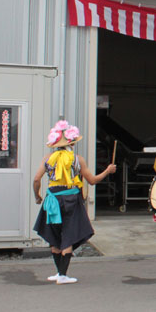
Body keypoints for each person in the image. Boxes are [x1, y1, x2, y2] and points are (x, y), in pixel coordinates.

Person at [33, 120, 117, 285]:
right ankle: (63, 275)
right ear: (71, 142)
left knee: (54, 235)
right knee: (69, 234)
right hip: (71, 199)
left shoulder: (48, 159)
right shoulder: (77, 160)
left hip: (52, 199)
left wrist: (37, 196)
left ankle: (59, 273)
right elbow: (92, 181)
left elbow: (36, 179)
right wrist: (107, 171)